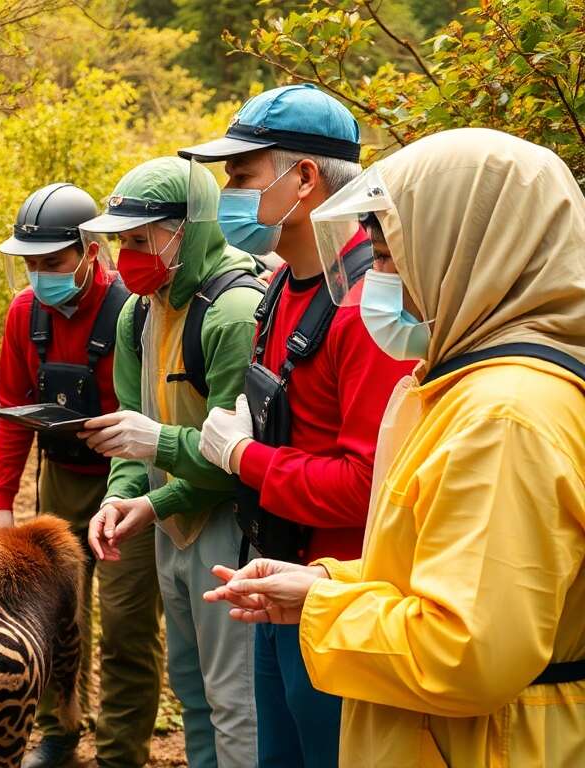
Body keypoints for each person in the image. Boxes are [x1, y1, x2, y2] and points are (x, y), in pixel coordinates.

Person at [205, 127, 585, 767]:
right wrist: (328, 577)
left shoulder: (505, 416)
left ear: (462, 253)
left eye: (384, 256)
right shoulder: (473, 385)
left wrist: (323, 606)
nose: (371, 282)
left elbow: (464, 653)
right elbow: (445, 570)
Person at [169, 84, 414, 768]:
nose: (228, 194)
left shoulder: (366, 309)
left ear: (304, 179)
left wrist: (243, 457)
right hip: (277, 584)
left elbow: (369, 487)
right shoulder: (281, 283)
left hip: (337, 605)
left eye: (242, 175)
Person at [80, 157, 262, 768]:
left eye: (141, 240)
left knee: (236, 700)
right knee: (191, 688)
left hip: (230, 527)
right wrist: (120, 497)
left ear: (188, 229)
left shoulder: (234, 312)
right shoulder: (140, 309)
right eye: (121, 242)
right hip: (169, 526)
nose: (127, 256)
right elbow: (132, 420)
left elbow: (237, 458)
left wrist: (154, 485)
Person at [0, 183, 163, 768]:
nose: (42, 276)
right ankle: (58, 734)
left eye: (54, 262)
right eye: (32, 265)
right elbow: (13, 410)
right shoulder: (25, 314)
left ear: (90, 252)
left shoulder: (132, 309)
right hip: (61, 478)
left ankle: (119, 753)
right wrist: (2, 502)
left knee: (125, 623)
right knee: (55, 615)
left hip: (129, 479)